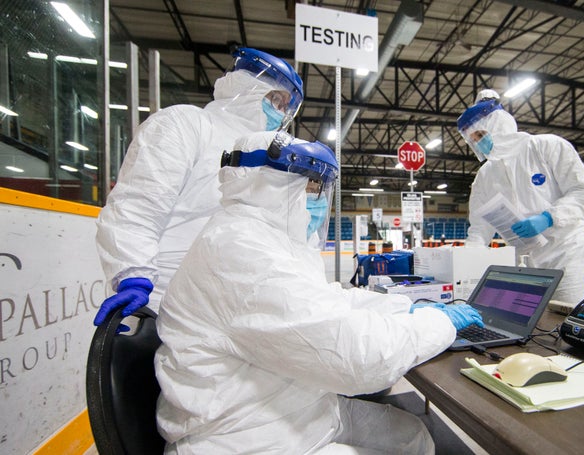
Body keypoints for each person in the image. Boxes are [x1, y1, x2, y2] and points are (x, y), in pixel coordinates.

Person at [154, 131, 484, 454]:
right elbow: (359, 358)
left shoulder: (266, 239)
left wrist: (404, 309)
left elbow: (330, 301)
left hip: (297, 410)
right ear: (271, 185)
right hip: (244, 437)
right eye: (311, 187)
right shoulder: (239, 251)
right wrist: (441, 324)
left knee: (413, 436)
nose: (318, 199)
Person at [93, 48, 304, 325]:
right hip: (164, 301)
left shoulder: (265, 157)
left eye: (284, 105)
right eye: (274, 98)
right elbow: (138, 204)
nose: (278, 111)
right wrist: (133, 275)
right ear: (247, 86)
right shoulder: (186, 124)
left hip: (234, 309)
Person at [457, 89, 584, 304]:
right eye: (473, 139)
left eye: (479, 135)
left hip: (568, 255)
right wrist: (464, 259)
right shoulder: (485, 176)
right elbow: (479, 228)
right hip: (525, 264)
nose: (477, 143)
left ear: (496, 126)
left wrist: (549, 218)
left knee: (574, 320)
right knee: (535, 329)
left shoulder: (548, 147)